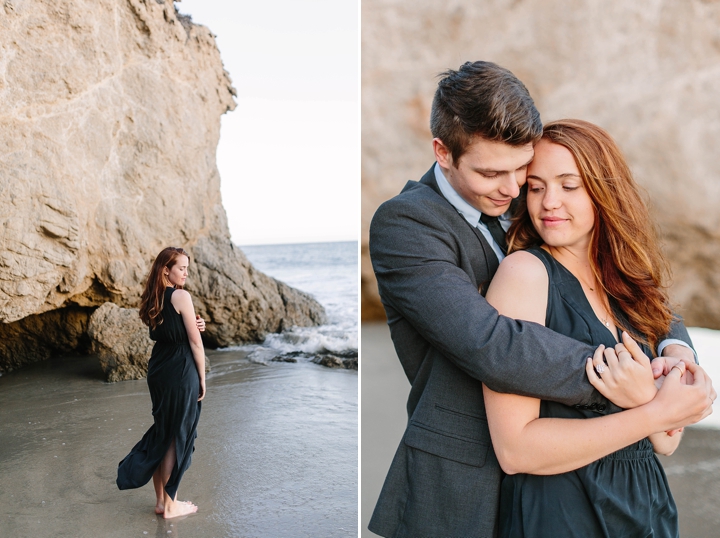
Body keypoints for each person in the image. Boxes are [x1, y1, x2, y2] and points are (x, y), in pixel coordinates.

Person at [367, 61, 714, 537]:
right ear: (442, 152)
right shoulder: (407, 225)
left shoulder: (532, 201)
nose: (514, 191)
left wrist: (674, 352)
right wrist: (633, 384)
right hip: (467, 480)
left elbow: (625, 288)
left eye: (521, 172)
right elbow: (491, 344)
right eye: (493, 174)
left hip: (588, 474)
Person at [483, 119, 713, 537]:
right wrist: (655, 410)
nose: (549, 202)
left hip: (647, 507)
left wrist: (654, 395)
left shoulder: (629, 284)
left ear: (604, 189)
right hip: (562, 511)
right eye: (536, 187)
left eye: (569, 186)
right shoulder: (526, 274)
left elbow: (667, 442)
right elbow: (515, 450)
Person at [116, 247, 207, 519]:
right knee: (175, 437)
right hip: (180, 369)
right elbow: (194, 343)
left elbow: (171, 329)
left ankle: (161, 501)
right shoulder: (181, 295)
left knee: (164, 431)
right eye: (181, 268)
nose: (186, 273)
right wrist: (202, 377)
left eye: (187, 268)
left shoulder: (153, 296)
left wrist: (194, 323)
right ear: (166, 269)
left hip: (159, 368)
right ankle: (170, 505)